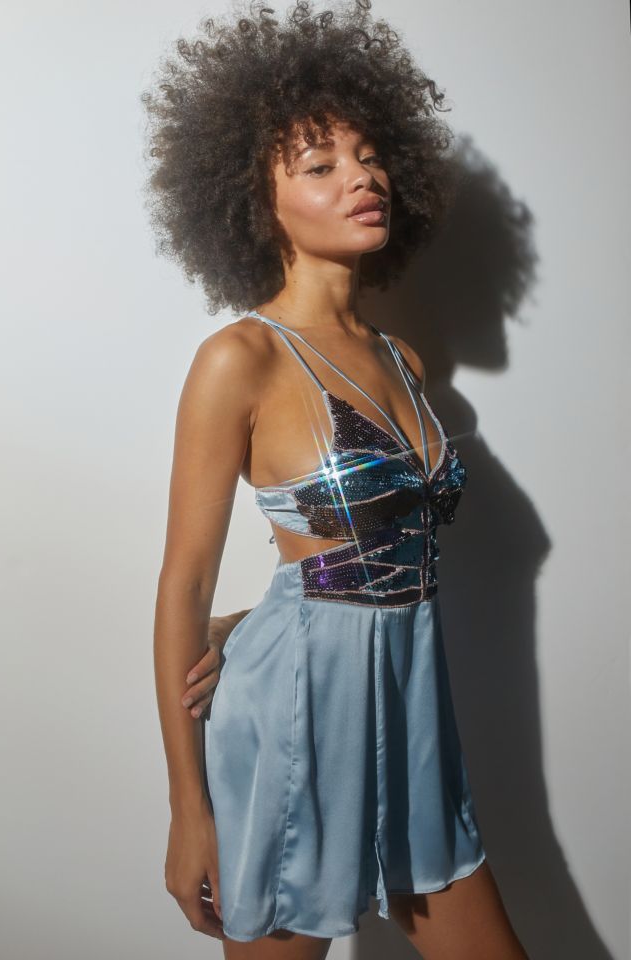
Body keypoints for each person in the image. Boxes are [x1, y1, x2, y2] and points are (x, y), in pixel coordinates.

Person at [142, 1, 530, 956]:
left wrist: (261, 611)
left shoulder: (402, 359)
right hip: (296, 723)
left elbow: (372, 544)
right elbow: (183, 584)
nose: (363, 176)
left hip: (417, 712)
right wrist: (189, 810)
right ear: (254, 198)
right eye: (320, 165)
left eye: (369, 155)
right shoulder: (240, 360)